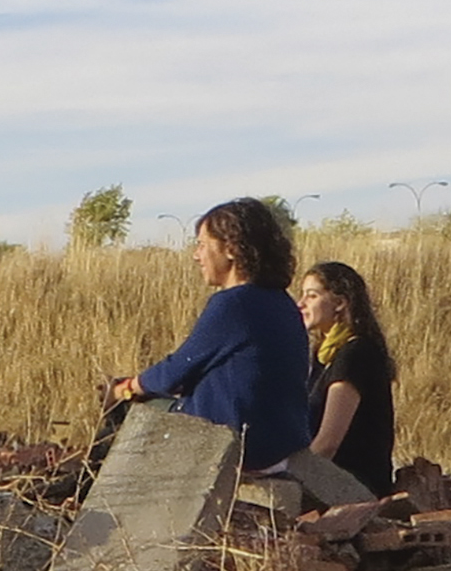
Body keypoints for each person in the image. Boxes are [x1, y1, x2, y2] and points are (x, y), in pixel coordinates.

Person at [107, 199, 319, 470]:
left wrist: (126, 388)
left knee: (129, 409)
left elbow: (175, 371)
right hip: (282, 442)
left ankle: (99, 496)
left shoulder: (233, 304)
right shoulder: (283, 302)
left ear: (231, 248)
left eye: (202, 245)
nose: (197, 255)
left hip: (241, 444)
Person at [297, 259, 398, 488]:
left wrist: (292, 481)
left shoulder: (355, 354)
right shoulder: (324, 355)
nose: (300, 304)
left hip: (354, 486)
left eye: (311, 296)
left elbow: (328, 442)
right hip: (328, 477)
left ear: (340, 303)